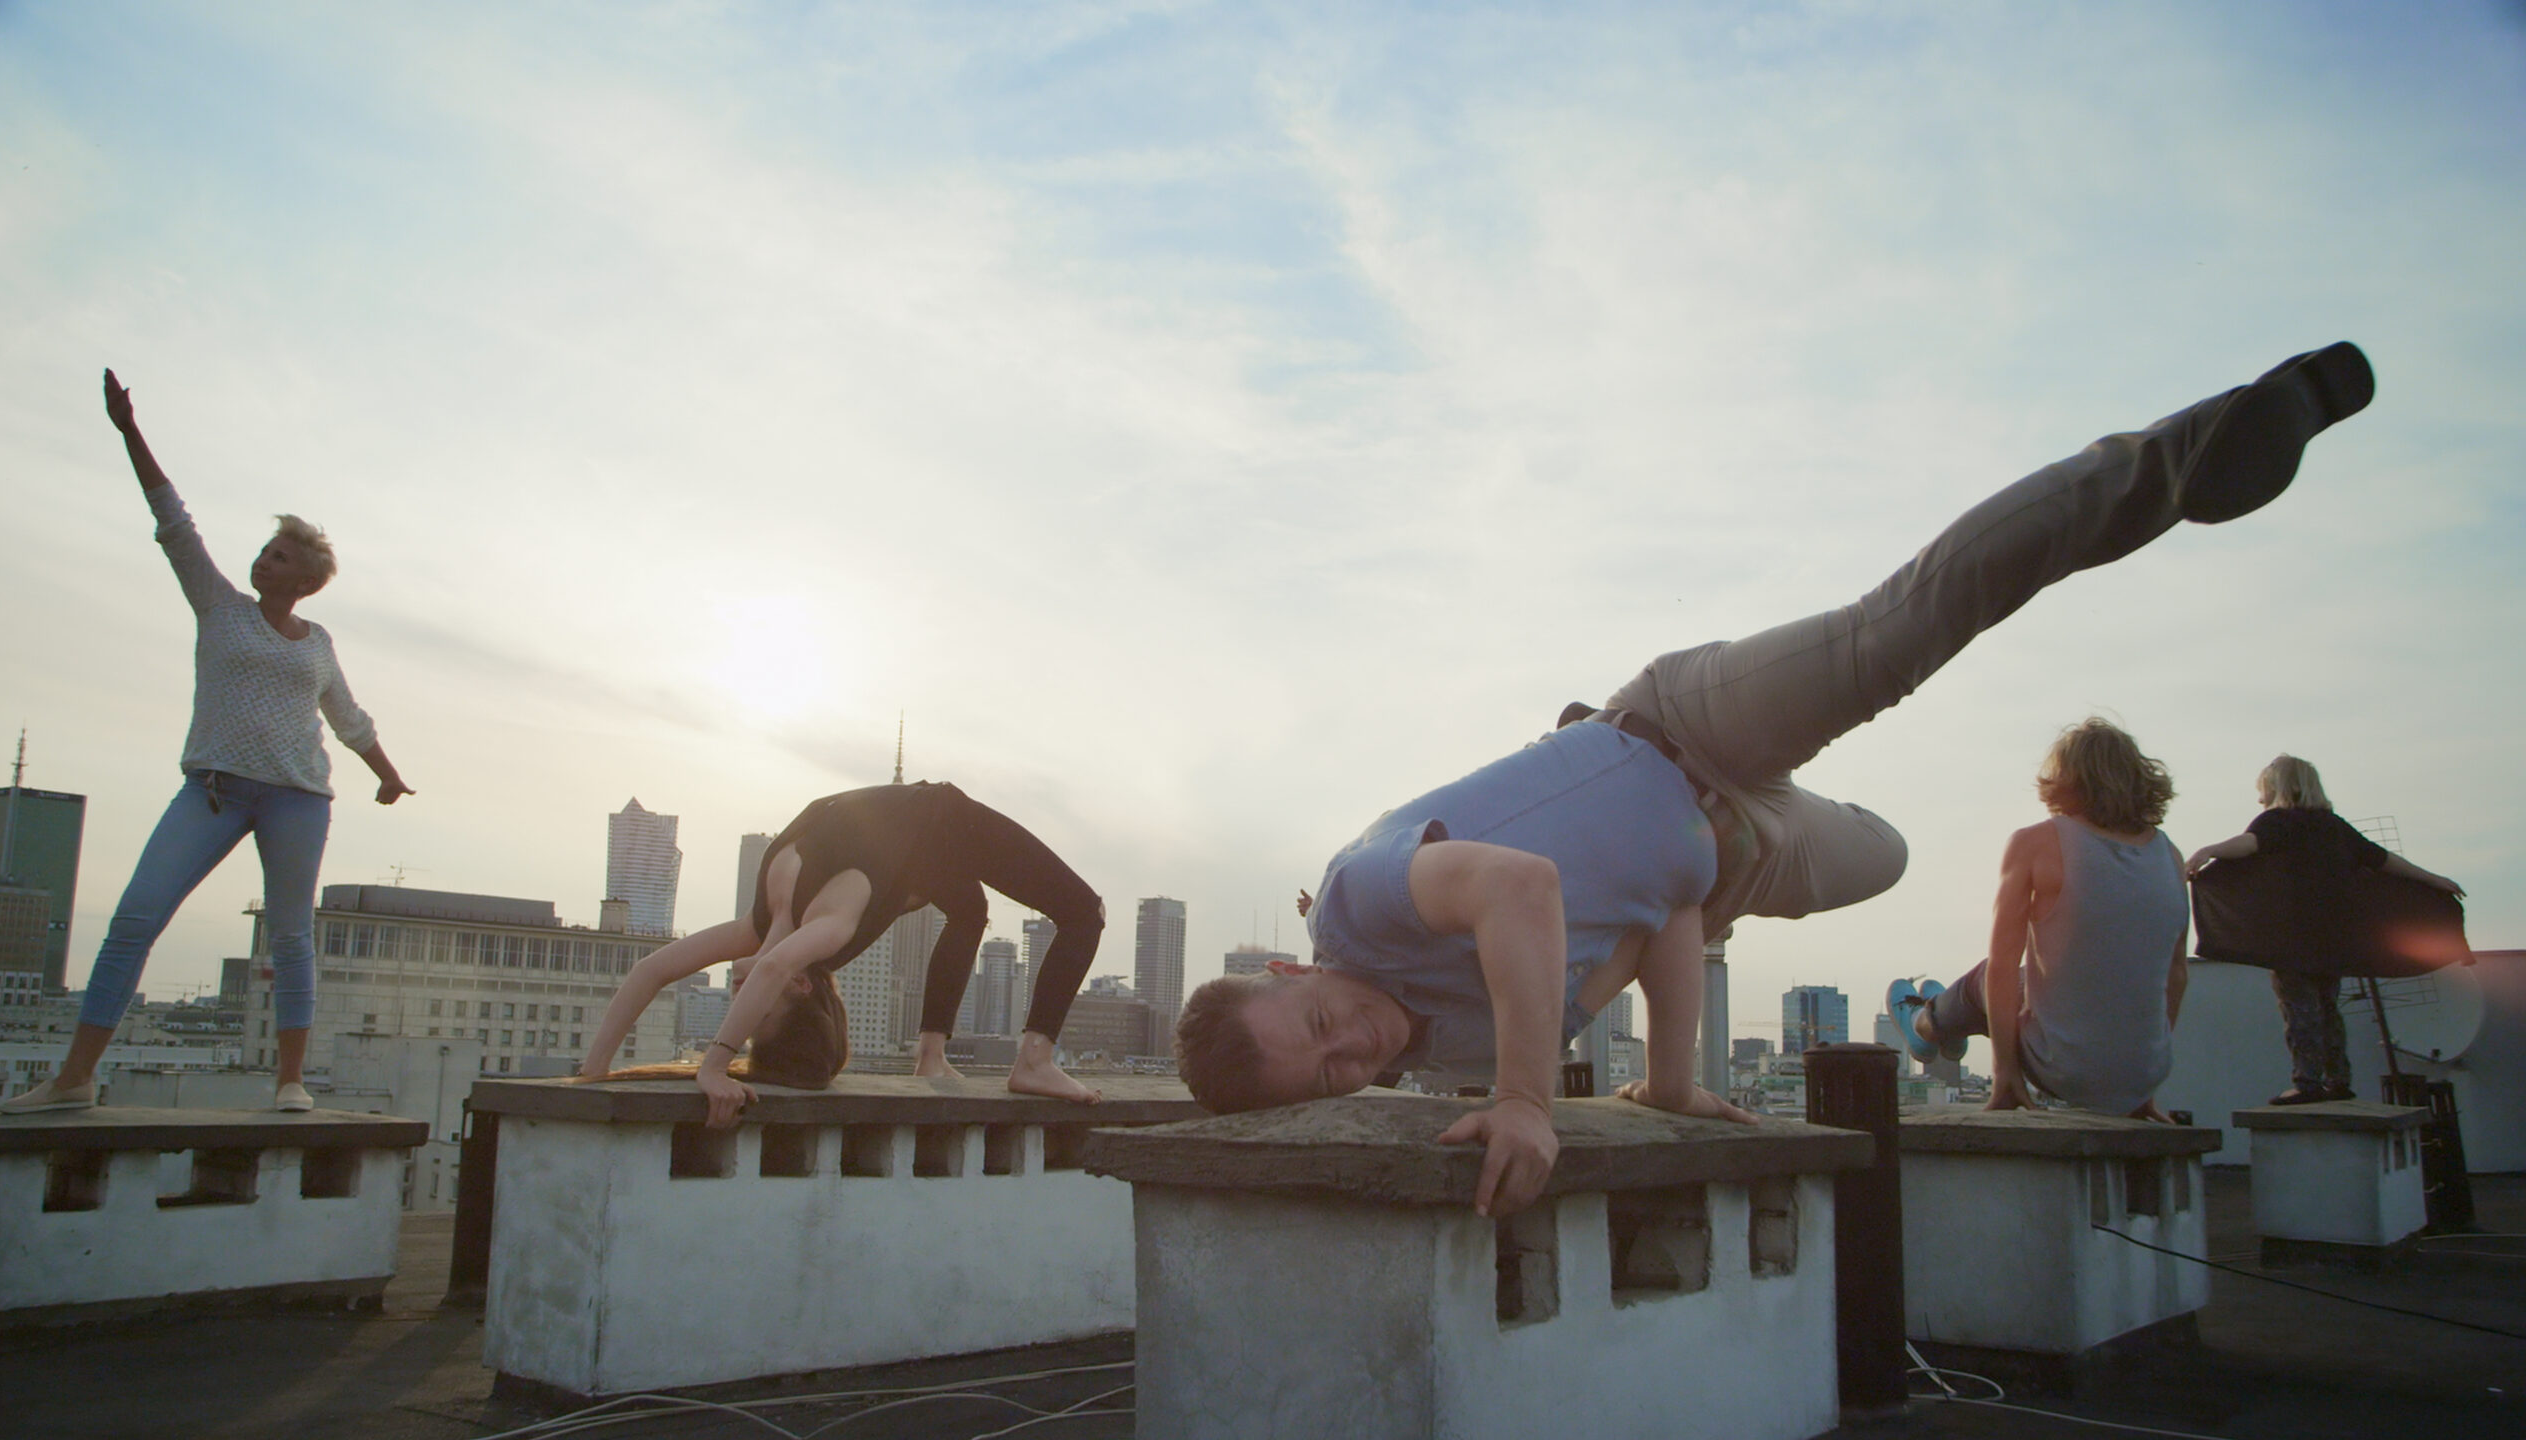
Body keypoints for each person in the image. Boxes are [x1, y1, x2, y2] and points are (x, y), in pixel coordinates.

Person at [1174, 342, 2375, 1220]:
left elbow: (1521, 890)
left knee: (1898, 634)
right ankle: (1629, 795)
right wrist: (1671, 1081)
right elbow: (1653, 925)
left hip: (1683, 730)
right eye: (1332, 1075)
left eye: (1322, 1024)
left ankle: (2187, 456)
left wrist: (1529, 1097)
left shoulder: (1357, 901)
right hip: (1726, 851)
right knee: (1888, 855)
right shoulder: (1443, 1037)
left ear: (1290, 971)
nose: (1357, 1051)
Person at [1, 370, 412, 1116]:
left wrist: (387, 776)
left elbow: (348, 717)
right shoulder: (219, 606)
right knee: (135, 919)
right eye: (263, 551)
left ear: (309, 579)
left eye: (280, 557)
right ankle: (73, 1080)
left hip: (297, 800)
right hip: (214, 790)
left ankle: (290, 1081)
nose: (263, 562)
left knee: (290, 939)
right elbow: (174, 522)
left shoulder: (317, 642)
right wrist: (130, 432)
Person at [578, 780, 1107, 1123]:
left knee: (969, 910)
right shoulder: (827, 928)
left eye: (748, 1020)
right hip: (944, 822)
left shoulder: (760, 924)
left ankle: (930, 1056)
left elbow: (651, 970)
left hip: (925, 841)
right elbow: (773, 967)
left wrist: (594, 1070)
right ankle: (1033, 1061)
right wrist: (717, 1066)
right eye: (761, 1010)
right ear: (802, 986)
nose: (738, 997)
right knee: (1085, 914)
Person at [1887, 720, 2189, 1118]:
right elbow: (2175, 974)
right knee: (2036, 977)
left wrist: (2006, 1072)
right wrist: (2142, 1084)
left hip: (2063, 1068)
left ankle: (1925, 1027)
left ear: (2066, 778)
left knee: (1985, 977)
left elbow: (2002, 965)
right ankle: (1948, 1021)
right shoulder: (2170, 856)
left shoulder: (2036, 842)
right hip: (2141, 1076)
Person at [2183, 754, 2464, 1104]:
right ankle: (2338, 1081)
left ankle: (2308, 1084)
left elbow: (2249, 844)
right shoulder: (2334, 827)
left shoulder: (2278, 821)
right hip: (2333, 939)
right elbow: (2384, 861)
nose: (2260, 797)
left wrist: (2208, 851)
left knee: (2299, 1009)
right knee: (2328, 1010)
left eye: (2263, 789)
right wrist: (2434, 880)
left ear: (2278, 787)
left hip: (2294, 939)